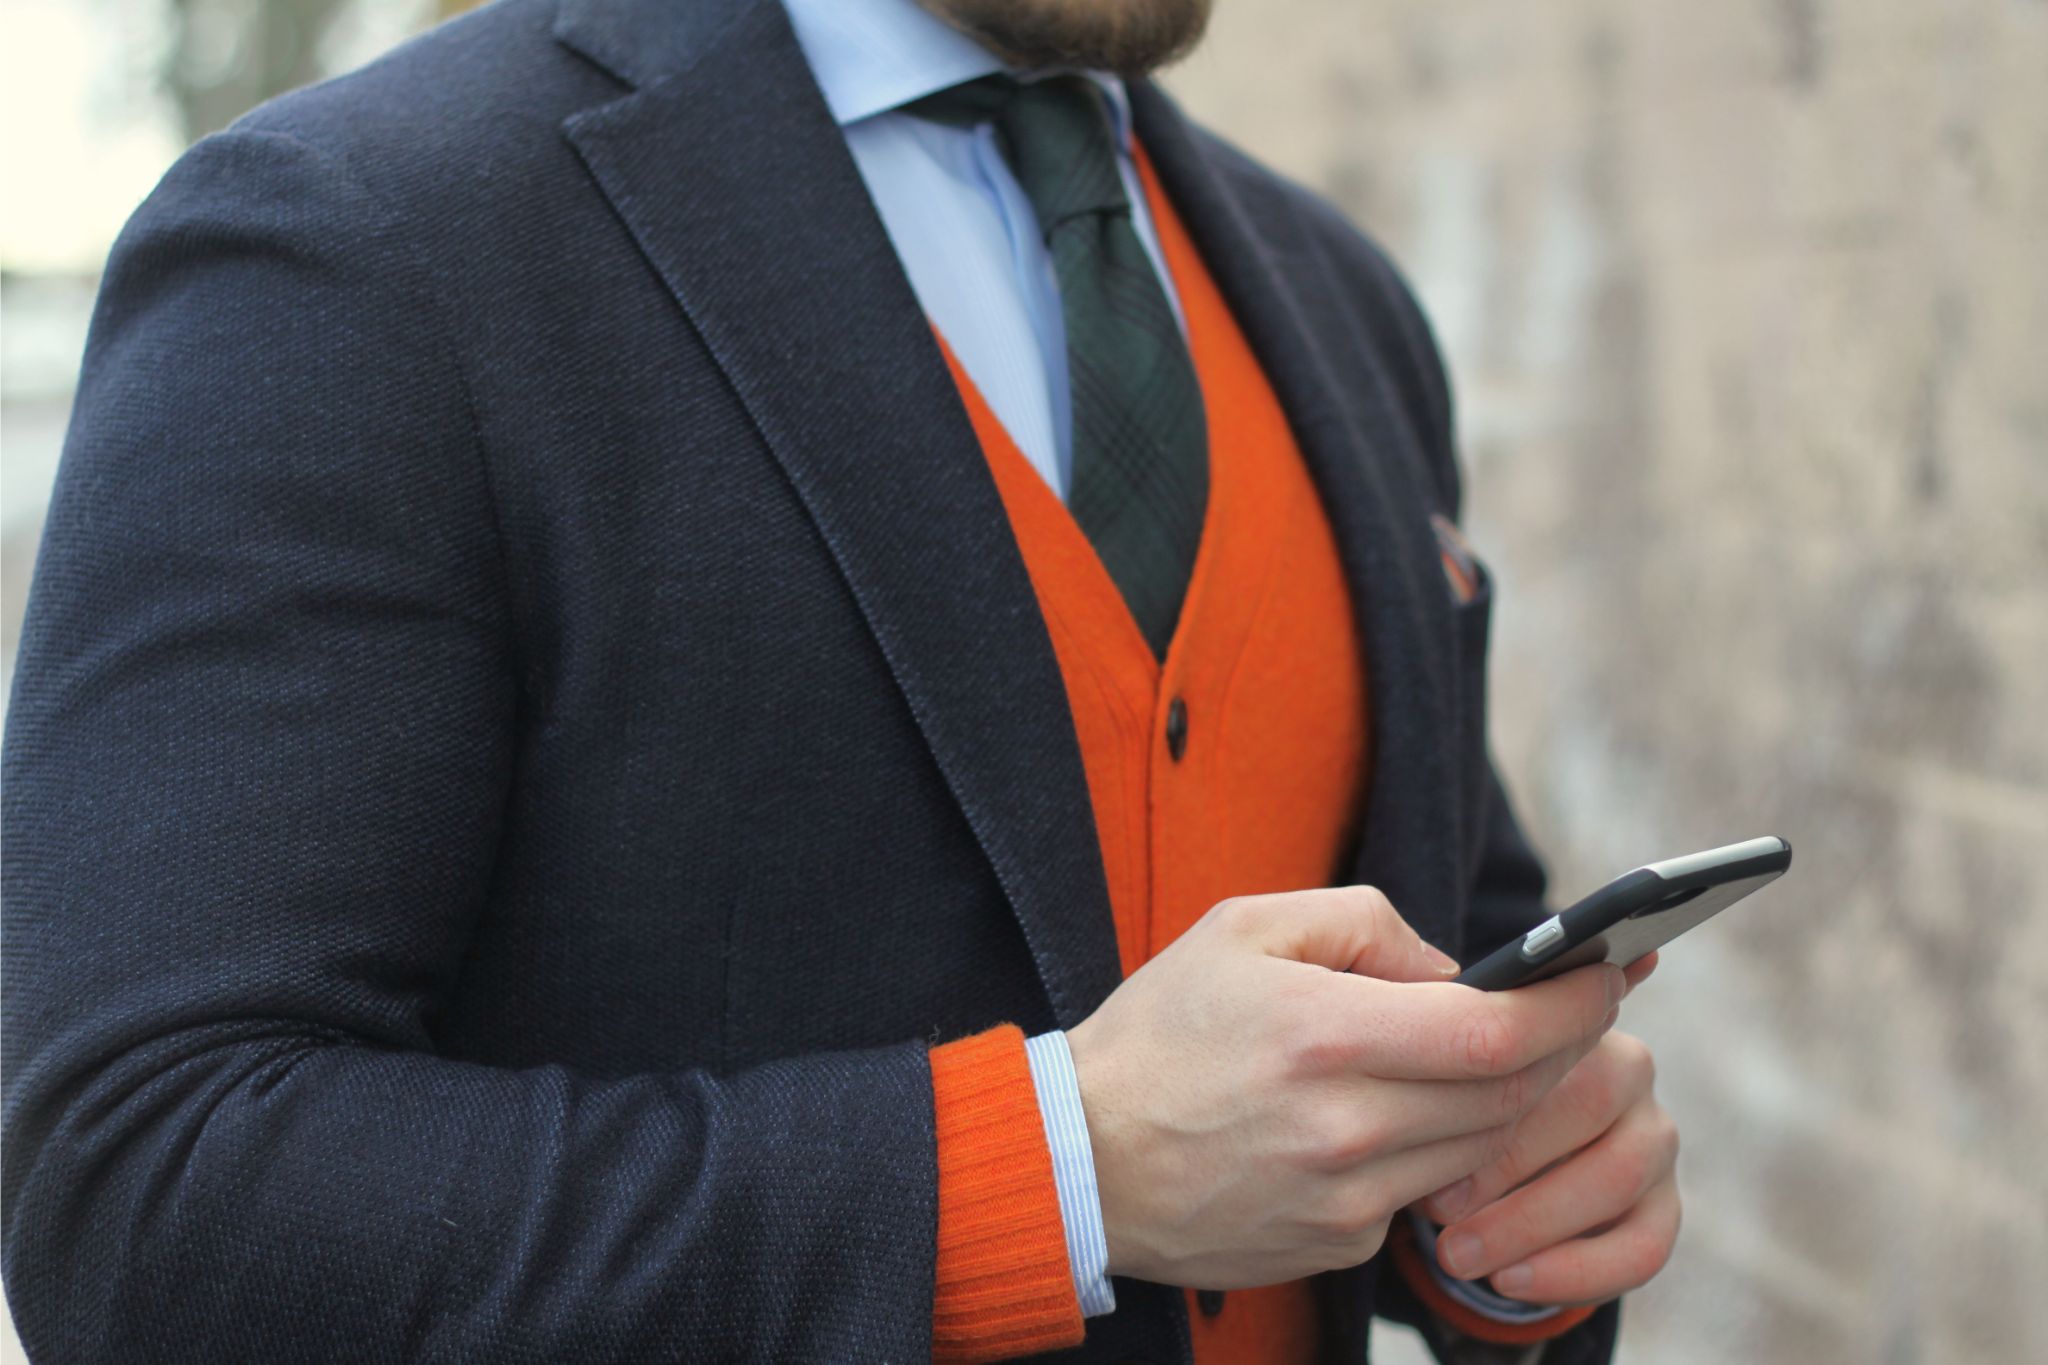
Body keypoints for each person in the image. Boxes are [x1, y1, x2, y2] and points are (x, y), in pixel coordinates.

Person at [0, 0, 1682, 1360]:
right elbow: (147, 1197)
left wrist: (1509, 1228)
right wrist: (1056, 1171)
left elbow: (1446, 944)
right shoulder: (361, 239)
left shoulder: (1344, 303)